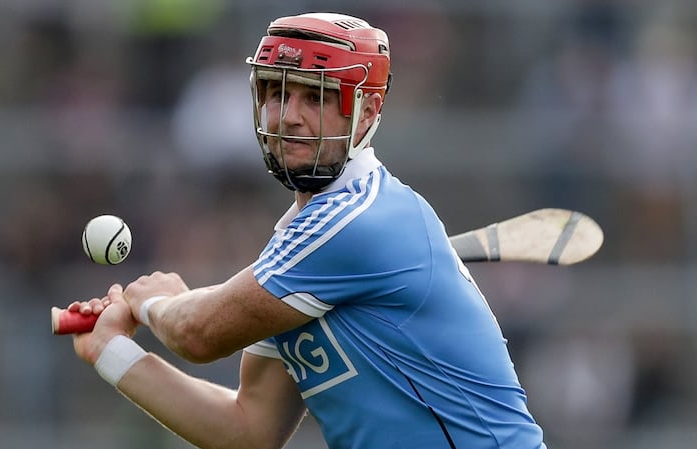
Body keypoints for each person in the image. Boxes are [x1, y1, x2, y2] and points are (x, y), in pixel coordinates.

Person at [65, 12, 547, 449]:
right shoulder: (299, 244)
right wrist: (111, 350)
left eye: (315, 96)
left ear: (367, 113)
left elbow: (199, 334)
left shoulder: (362, 220)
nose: (289, 116)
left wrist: (156, 302)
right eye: (277, 92)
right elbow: (248, 429)